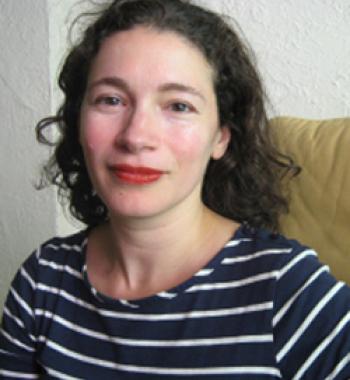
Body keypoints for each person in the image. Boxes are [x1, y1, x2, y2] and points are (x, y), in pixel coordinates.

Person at [0, 0, 349, 378]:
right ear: (78, 121)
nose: (136, 136)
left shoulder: (288, 288)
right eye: (111, 100)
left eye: (178, 106)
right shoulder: (42, 280)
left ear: (220, 138)